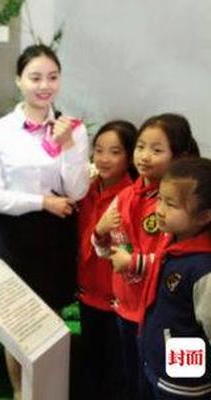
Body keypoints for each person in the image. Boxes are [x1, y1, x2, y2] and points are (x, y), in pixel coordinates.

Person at [0, 44, 90, 399]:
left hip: (57, 234)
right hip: (17, 234)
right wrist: (41, 201)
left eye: (52, 77)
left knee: (50, 320)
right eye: (35, 77)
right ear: (19, 80)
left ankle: (47, 392)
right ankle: (20, 393)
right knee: (16, 322)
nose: (45, 86)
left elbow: (77, 190)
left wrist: (67, 145)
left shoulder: (73, 128)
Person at [93, 113, 199, 399]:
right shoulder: (126, 195)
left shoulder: (179, 205)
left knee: (167, 384)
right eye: (140, 147)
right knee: (134, 380)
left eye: (156, 149)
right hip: (126, 307)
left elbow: (179, 259)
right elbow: (107, 251)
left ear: (180, 156)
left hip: (162, 313)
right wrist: (100, 232)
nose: (145, 156)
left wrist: (133, 263)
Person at [140, 157, 211, 399]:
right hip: (159, 367)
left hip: (183, 384)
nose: (160, 210)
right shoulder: (173, 240)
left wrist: (180, 374)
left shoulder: (203, 269)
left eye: (171, 204)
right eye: (160, 199)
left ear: (204, 217)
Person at [76, 120, 137, 400]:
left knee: (117, 374)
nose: (103, 158)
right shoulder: (85, 190)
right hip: (87, 294)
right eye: (99, 150)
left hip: (117, 301)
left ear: (129, 157)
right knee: (91, 367)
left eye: (114, 152)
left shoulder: (131, 197)